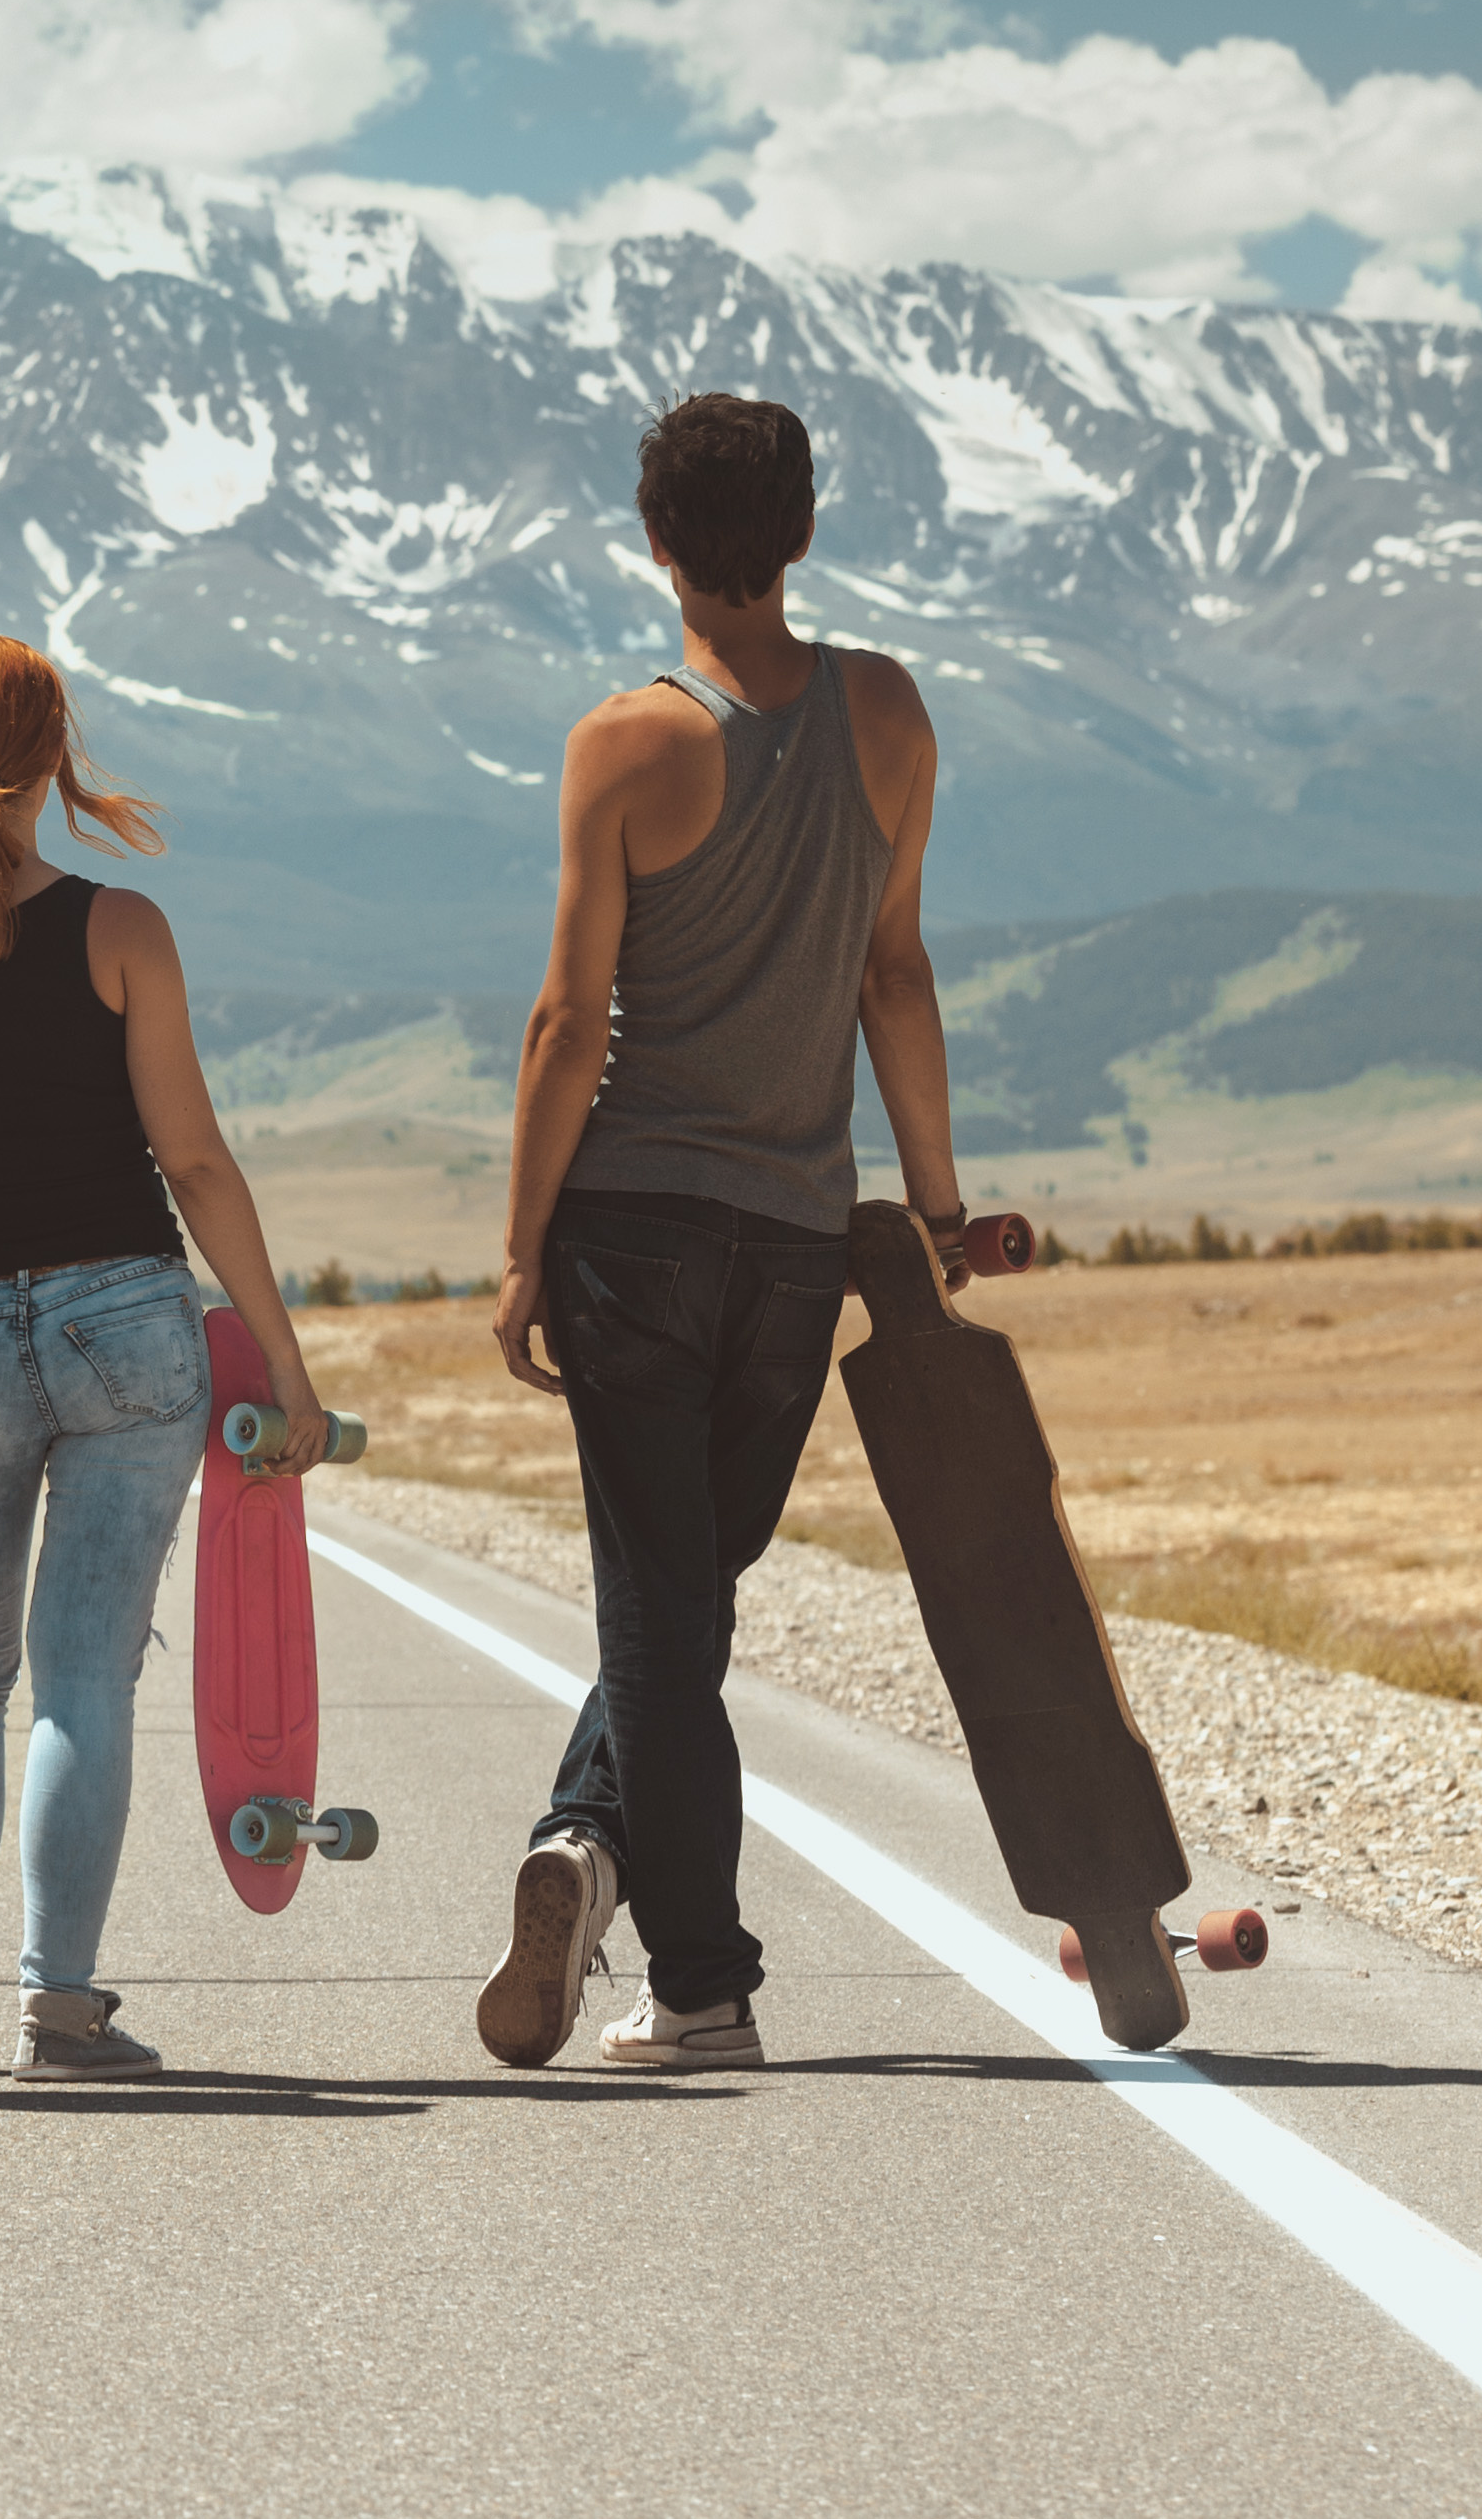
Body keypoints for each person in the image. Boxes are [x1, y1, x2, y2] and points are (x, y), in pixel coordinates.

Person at [478, 396, 961, 2073]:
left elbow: (566, 1018)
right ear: (804, 531)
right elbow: (893, 970)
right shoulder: (888, 713)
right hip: (792, 1242)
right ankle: (586, 1850)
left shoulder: (623, 740)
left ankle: (699, 1984)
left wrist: (525, 1242)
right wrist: (941, 1203)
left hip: (633, 1234)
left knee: (658, 1627)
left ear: (654, 541)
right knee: (684, 1615)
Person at [0, 635, 333, 2081]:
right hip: (127, 1330)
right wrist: (284, 1369)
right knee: (83, 1681)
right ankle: (59, 2003)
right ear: (54, 759)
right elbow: (196, 1161)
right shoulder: (123, 930)